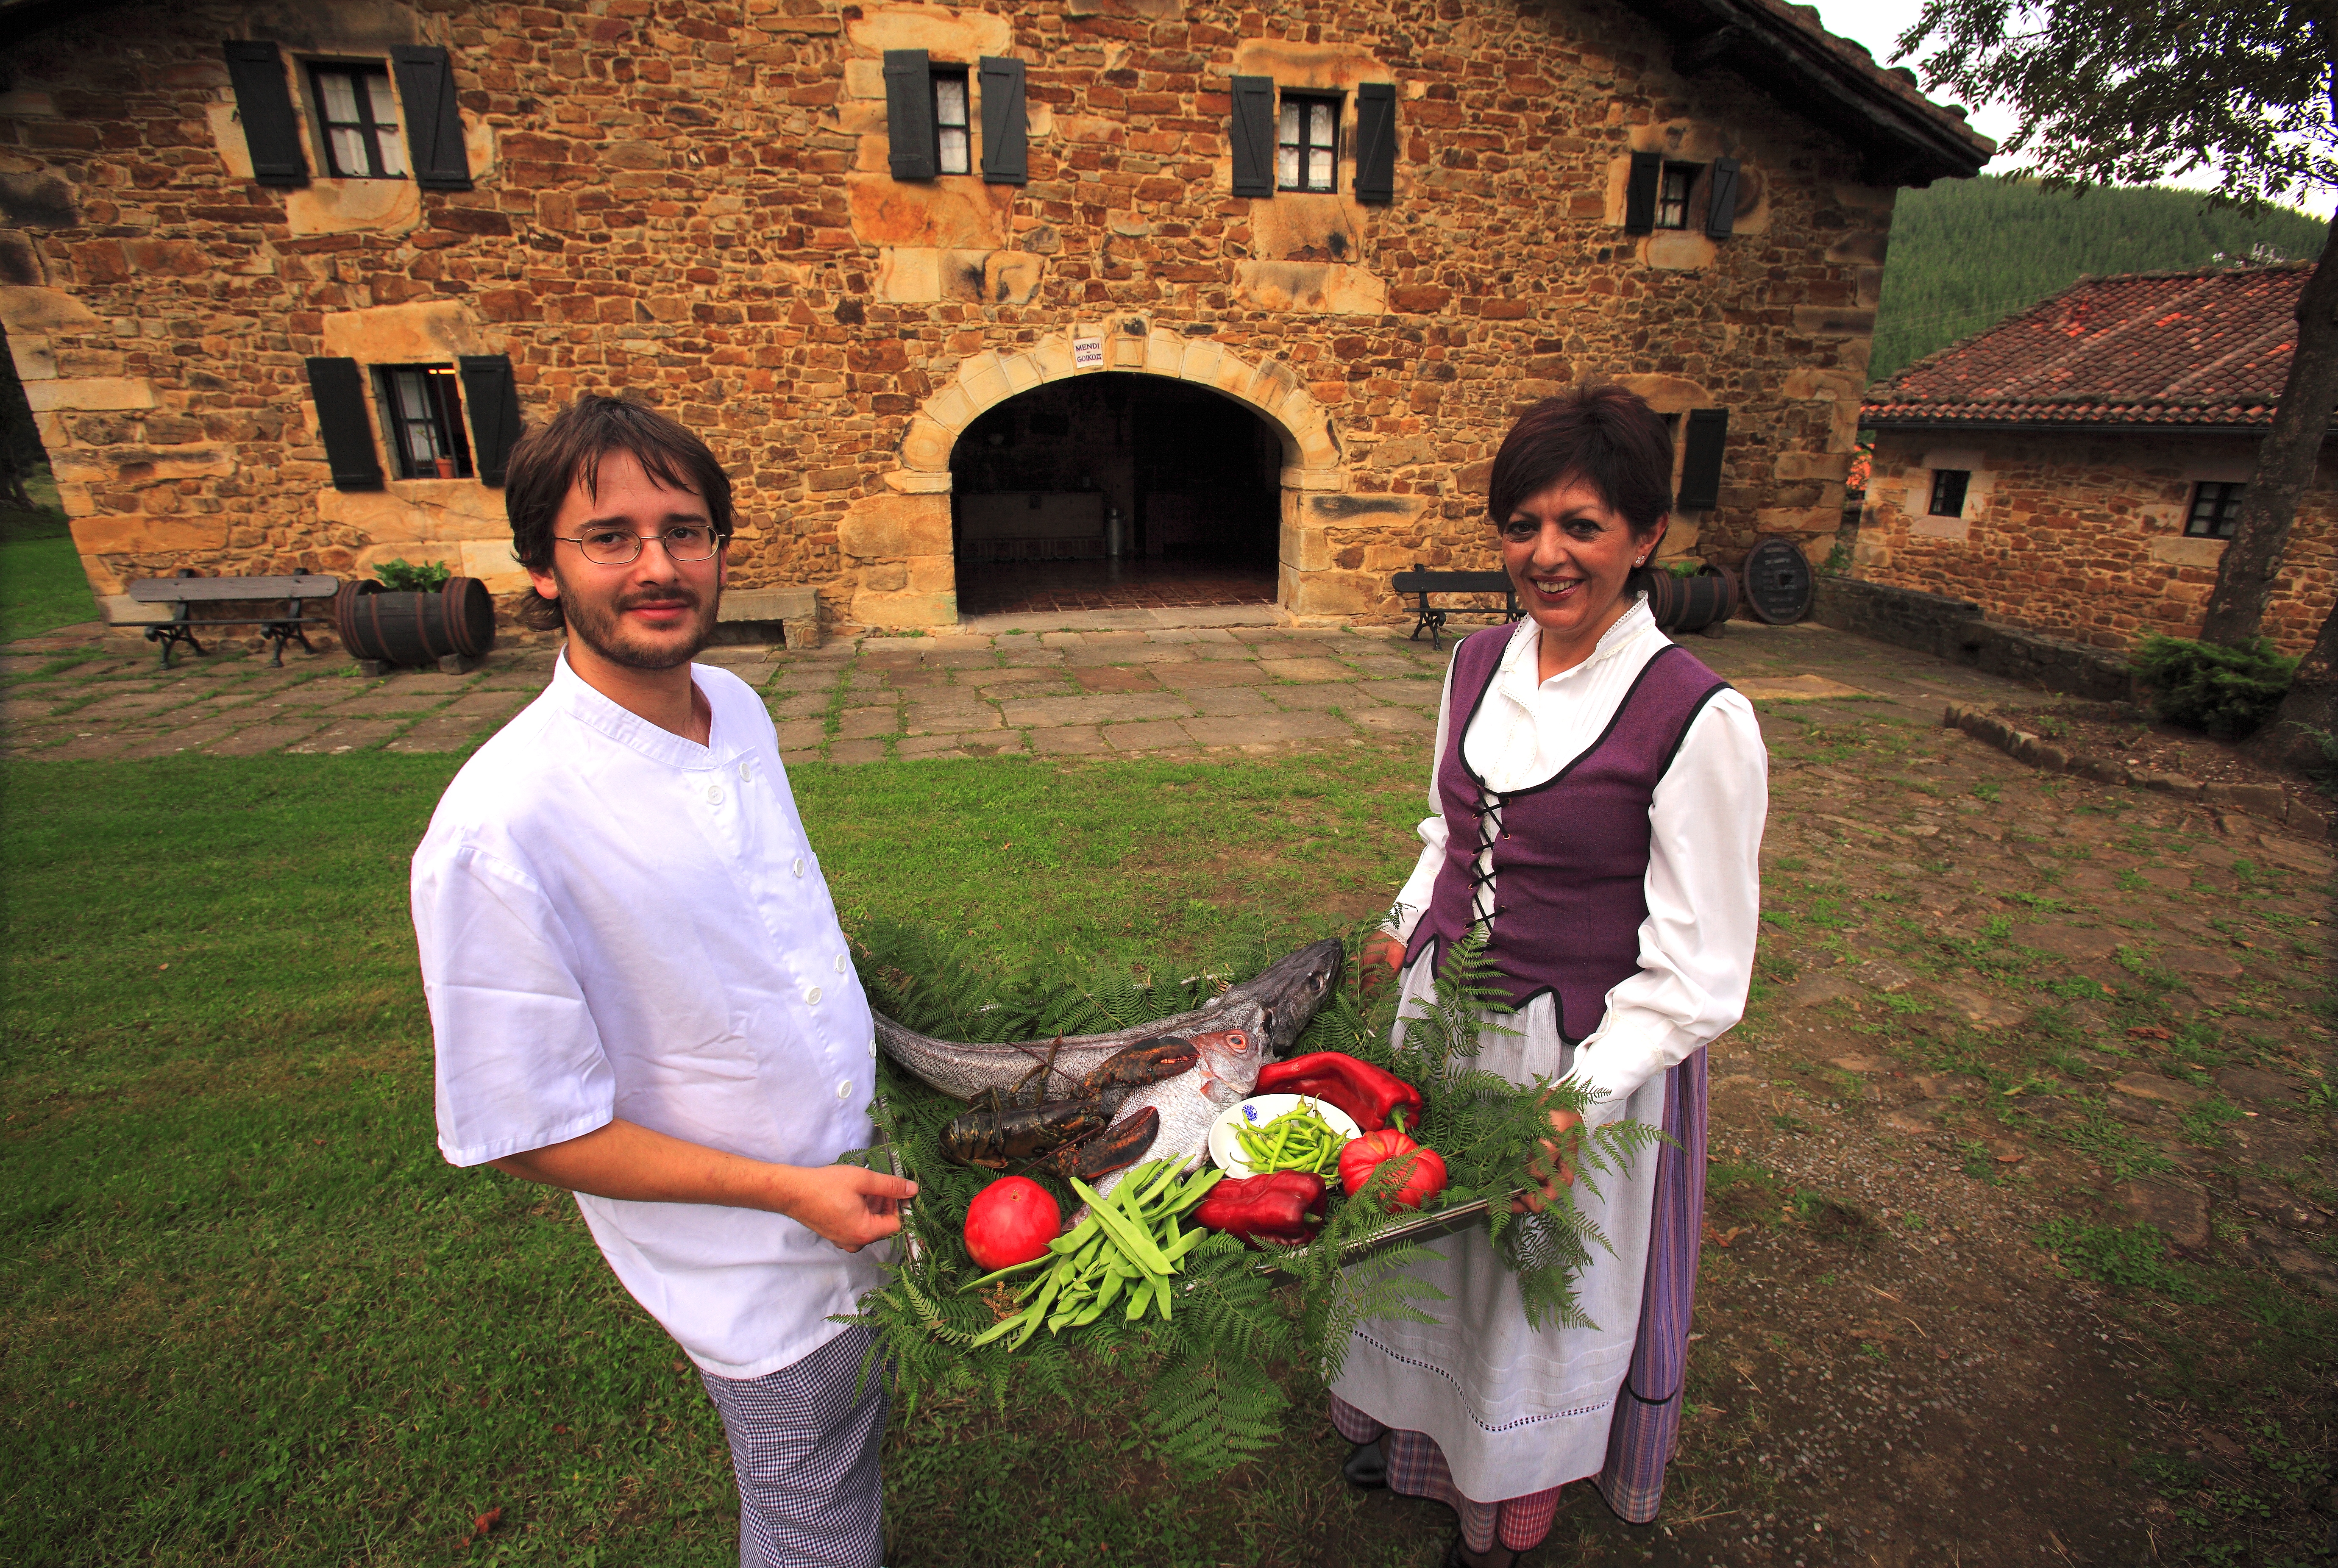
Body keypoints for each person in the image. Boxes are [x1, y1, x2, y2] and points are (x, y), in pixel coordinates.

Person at [411, 396, 916, 1568]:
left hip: (861, 1186)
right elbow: (524, 1130)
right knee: (809, 1517)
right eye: (610, 537)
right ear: (543, 569)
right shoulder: (502, 826)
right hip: (747, 1261)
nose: (658, 566)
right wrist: (790, 1192)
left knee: (849, 1454)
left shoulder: (733, 706)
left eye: (684, 531)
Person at [1331, 385, 1766, 1567]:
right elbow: (1449, 829)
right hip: (1444, 1022)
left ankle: (1505, 1500)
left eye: (1581, 525)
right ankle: (1417, 1438)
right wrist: (1399, 928)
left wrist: (1578, 1098)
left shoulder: (1697, 716)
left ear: (1646, 534)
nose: (1546, 555)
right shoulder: (1475, 660)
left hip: (1573, 1051)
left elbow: (1699, 970)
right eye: (1522, 526)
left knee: (1533, 1282)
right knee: (1427, 1246)